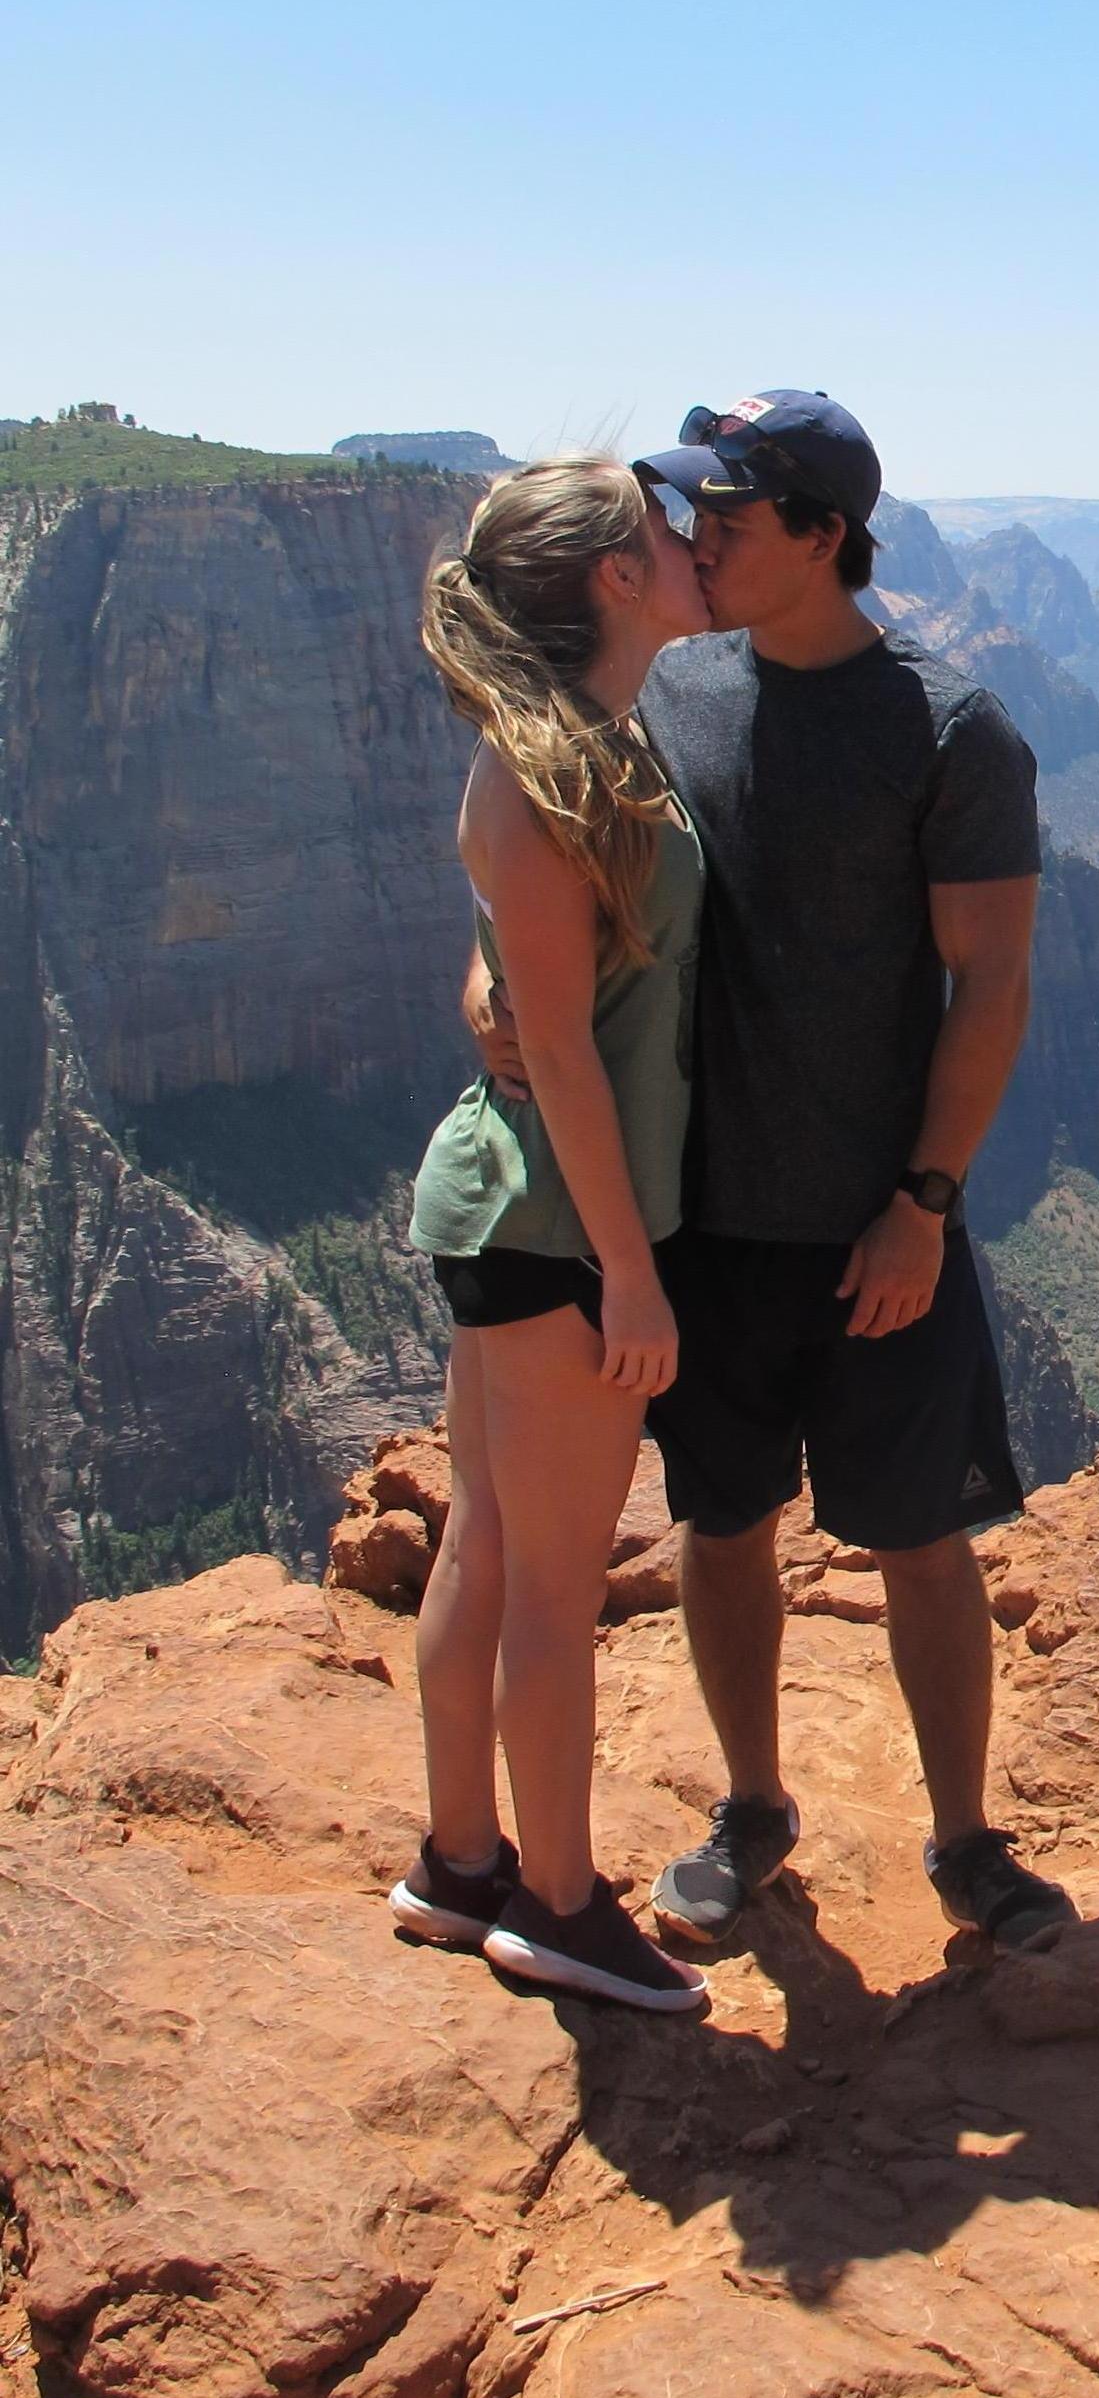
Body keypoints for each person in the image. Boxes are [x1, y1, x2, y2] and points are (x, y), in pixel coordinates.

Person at [468, 392, 1077, 1959]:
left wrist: (924, 1204)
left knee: (919, 1541)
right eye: (688, 514)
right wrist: (489, 994)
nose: (695, 540)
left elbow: (991, 985)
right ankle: (753, 1809)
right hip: (705, 1227)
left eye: (729, 518)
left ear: (823, 536)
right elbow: (564, 891)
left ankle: (963, 1842)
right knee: (724, 1524)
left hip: (879, 1227)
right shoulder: (679, 694)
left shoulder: (950, 732)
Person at [391, 458, 713, 2014]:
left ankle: (460, 1864)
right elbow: (567, 1051)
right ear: (611, 577)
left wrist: (483, 996)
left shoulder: (585, 741)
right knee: (549, 1586)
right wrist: (631, 1271)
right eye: (664, 528)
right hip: (553, 1228)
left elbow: (515, 979)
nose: (692, 537)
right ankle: (561, 1904)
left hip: (523, 1210)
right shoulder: (537, 770)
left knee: (493, 1538)